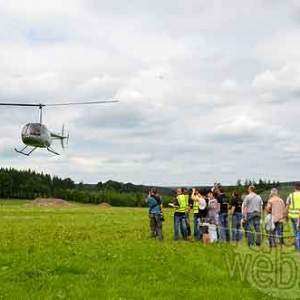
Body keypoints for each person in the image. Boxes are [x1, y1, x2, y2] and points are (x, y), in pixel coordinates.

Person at [285, 183, 300, 251]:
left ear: (295, 188)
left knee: (295, 231)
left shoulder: (290, 195)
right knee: (298, 231)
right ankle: (298, 248)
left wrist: (285, 215)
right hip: (298, 216)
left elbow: (287, 206)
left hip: (292, 216)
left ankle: (297, 247)